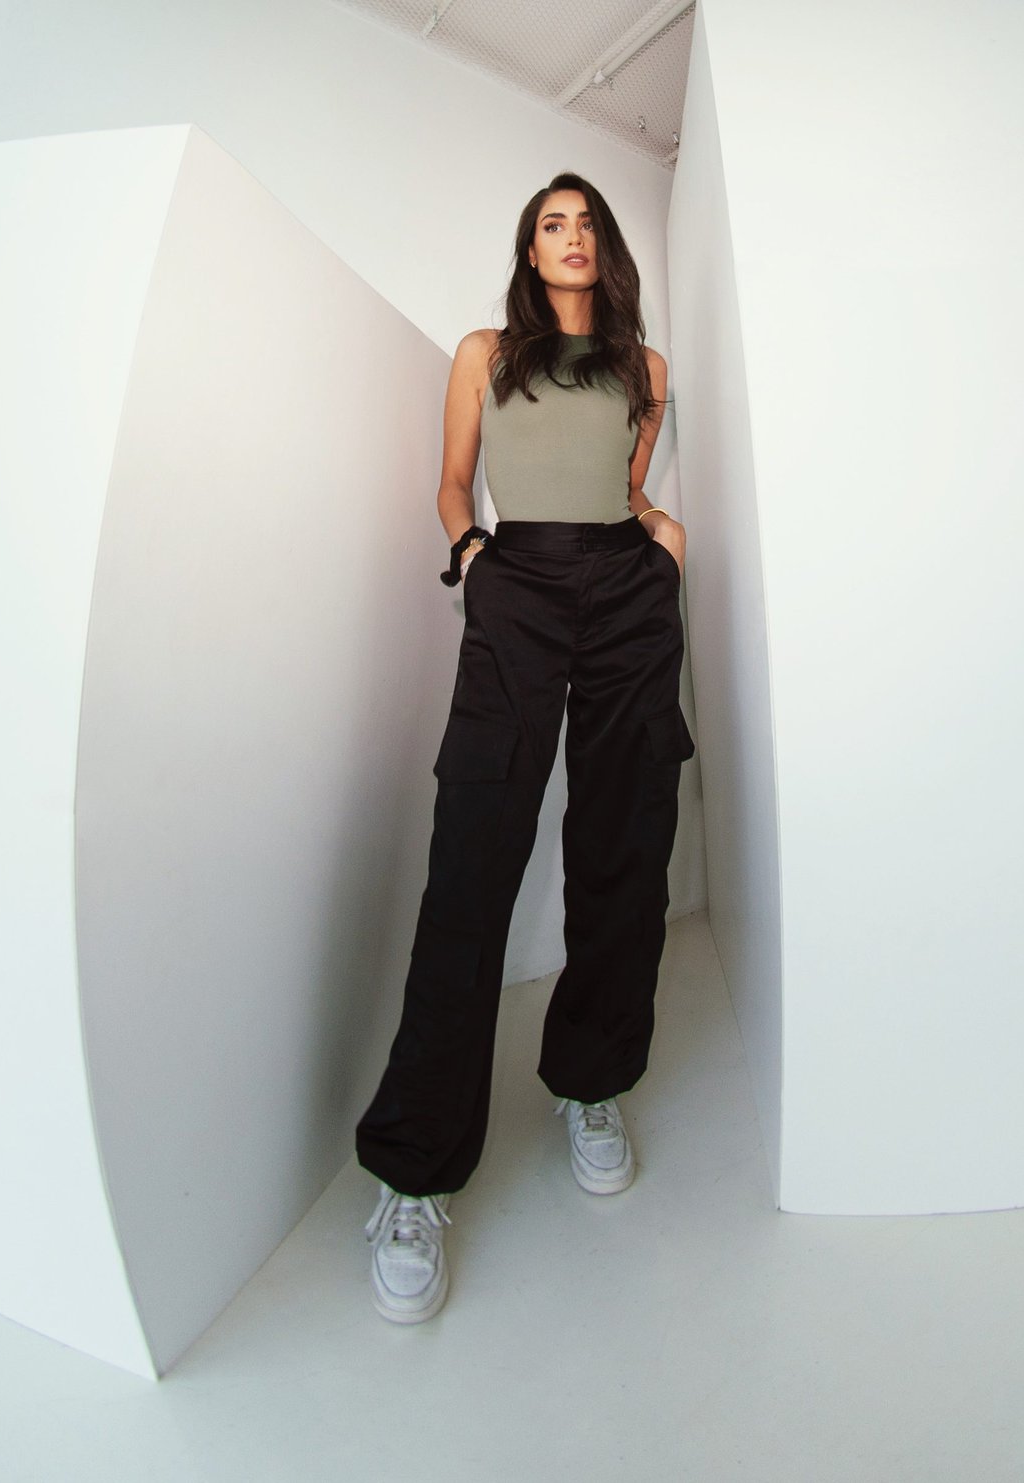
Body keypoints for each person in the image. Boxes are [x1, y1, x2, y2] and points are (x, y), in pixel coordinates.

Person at [354, 170, 694, 1324]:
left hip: (625, 590)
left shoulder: (646, 369)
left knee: (625, 845)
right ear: (529, 249)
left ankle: (592, 1082)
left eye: (587, 223)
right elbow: (453, 484)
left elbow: (629, 490)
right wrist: (474, 558)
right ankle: (415, 1171)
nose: (572, 237)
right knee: (473, 856)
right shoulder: (485, 353)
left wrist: (661, 535)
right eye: (553, 224)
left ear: (605, 249)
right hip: (520, 584)